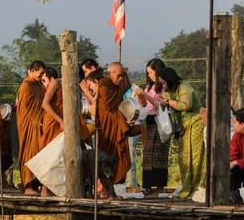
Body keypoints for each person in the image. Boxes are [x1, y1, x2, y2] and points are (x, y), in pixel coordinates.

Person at [159, 67, 205, 199]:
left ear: (169, 80)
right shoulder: (170, 92)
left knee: (195, 157)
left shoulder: (184, 87)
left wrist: (167, 101)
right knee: (184, 158)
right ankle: (187, 189)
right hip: (183, 127)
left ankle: (197, 189)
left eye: (163, 83)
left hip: (195, 124)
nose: (163, 86)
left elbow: (186, 105)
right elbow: (161, 105)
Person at [88, 62, 132, 192]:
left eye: (122, 76)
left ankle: (107, 191)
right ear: (109, 74)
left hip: (116, 128)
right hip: (107, 130)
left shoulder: (118, 86)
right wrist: (123, 122)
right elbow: (105, 111)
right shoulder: (105, 87)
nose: (121, 79)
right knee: (105, 160)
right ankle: (104, 190)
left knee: (117, 159)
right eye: (118, 76)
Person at [134, 58, 170, 197]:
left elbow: (159, 104)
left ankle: (160, 187)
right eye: (148, 72)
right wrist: (139, 96)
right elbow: (144, 105)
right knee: (148, 154)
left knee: (159, 155)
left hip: (160, 121)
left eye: (151, 72)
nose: (149, 75)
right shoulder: (149, 87)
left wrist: (145, 96)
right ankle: (148, 186)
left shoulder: (163, 86)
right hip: (148, 122)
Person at [17, 60, 46, 194]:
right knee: (29, 152)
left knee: (39, 153)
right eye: (40, 74)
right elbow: (24, 109)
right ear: (32, 71)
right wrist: (35, 121)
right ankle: (27, 186)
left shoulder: (38, 85)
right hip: (29, 124)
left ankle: (35, 184)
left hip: (39, 123)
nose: (42, 77)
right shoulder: (26, 86)